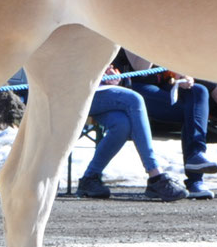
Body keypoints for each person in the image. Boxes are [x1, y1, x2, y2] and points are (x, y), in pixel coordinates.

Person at [72, 69, 189, 201]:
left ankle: (90, 178)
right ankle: (155, 175)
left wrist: (114, 76)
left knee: (122, 125)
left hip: (97, 91)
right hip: (72, 91)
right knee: (134, 99)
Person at [120, 49, 217, 197]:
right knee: (191, 112)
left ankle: (197, 158)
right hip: (134, 85)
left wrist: (181, 73)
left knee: (198, 91)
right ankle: (194, 179)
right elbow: (141, 67)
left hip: (162, 83)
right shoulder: (132, 27)